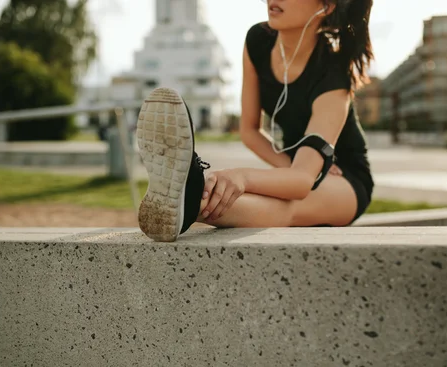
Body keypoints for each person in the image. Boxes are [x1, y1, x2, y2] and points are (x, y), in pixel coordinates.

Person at [136, 0, 375, 242]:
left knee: (289, 207)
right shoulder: (258, 40)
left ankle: (192, 199)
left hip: (345, 178)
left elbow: (303, 181)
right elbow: (249, 131)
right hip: (296, 166)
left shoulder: (334, 76)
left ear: (326, 7)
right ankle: (189, 197)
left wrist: (244, 176)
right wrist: (290, 170)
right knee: (264, 194)